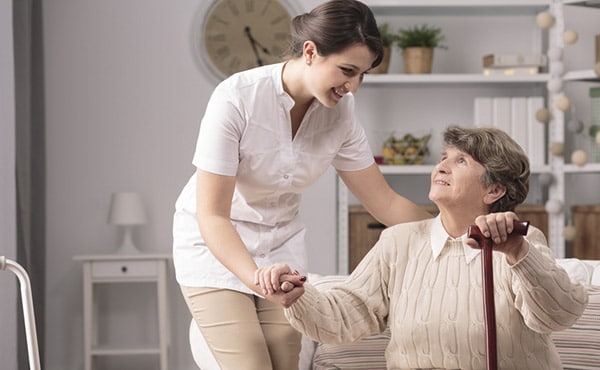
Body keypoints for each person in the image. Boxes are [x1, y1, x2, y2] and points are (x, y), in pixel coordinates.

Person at [172, 1, 432, 369]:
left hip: (280, 247)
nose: (353, 86)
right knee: (251, 362)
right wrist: (256, 277)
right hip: (215, 246)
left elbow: (385, 202)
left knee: (284, 355)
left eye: (362, 75)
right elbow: (212, 215)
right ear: (310, 52)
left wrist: (452, 236)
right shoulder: (237, 98)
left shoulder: (341, 115)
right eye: (347, 70)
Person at [272, 125, 588, 370]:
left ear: (494, 189)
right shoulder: (398, 243)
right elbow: (344, 316)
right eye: (442, 159)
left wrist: (518, 254)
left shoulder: (522, 243)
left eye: (460, 161)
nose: (441, 168)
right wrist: (299, 296)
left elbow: (556, 315)